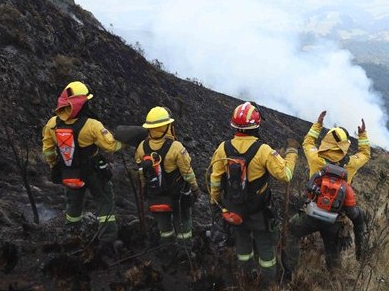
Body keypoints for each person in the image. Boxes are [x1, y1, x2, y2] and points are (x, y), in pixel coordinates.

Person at [208, 102, 297, 286]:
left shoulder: (223, 148)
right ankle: (268, 283)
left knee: (242, 243)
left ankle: (246, 277)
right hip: (259, 214)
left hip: (234, 211)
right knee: (265, 248)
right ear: (256, 125)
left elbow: (215, 179)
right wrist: (292, 153)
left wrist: (216, 201)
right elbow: (286, 175)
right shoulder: (263, 150)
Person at [41, 81, 122, 255]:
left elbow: (47, 150)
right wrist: (123, 140)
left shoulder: (52, 124)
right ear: (83, 103)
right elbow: (111, 146)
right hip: (94, 172)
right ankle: (107, 243)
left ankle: (72, 235)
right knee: (105, 202)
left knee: (73, 205)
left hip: (70, 172)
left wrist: (55, 165)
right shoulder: (92, 125)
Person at [286, 110, 370, 270]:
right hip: (336, 220)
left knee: (292, 231)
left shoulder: (315, 158)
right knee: (333, 253)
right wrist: (363, 135)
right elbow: (365, 154)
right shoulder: (351, 164)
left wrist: (318, 124)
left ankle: (290, 273)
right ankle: (334, 280)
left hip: (311, 214)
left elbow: (308, 143)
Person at [135, 106, 200, 253]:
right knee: (184, 225)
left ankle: (167, 252)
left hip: (155, 197)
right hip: (177, 198)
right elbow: (187, 173)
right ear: (167, 126)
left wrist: (146, 190)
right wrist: (195, 189)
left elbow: (141, 173)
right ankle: (184, 253)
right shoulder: (176, 147)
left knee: (164, 229)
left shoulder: (141, 147)